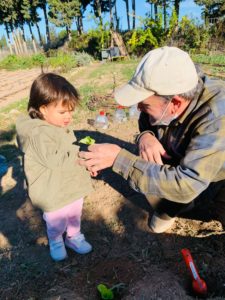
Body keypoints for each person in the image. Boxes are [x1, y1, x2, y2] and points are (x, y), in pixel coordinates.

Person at [79, 46, 225, 233]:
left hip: (220, 173)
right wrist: (145, 136)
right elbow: (146, 120)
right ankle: (171, 206)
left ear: (175, 103)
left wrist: (119, 159)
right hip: (189, 160)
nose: (138, 107)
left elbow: (187, 184)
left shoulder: (216, 117)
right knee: (154, 158)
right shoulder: (169, 96)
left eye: (144, 104)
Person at [16, 73, 93, 261]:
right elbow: (56, 160)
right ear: (43, 109)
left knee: (75, 213)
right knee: (56, 220)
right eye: (63, 112)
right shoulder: (38, 134)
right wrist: (84, 157)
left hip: (69, 185)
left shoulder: (55, 125)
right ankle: (56, 240)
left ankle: (74, 237)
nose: (68, 117)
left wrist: (85, 165)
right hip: (51, 190)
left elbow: (67, 155)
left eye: (70, 111)